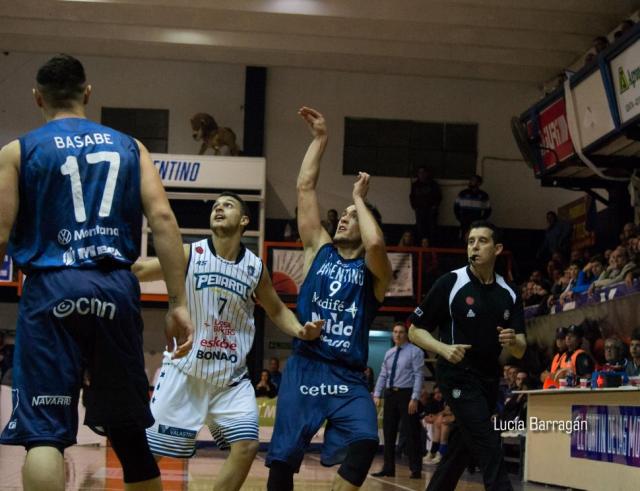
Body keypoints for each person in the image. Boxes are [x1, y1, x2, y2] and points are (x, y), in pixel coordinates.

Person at [0, 54, 194, 491]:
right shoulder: (131, 147)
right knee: (129, 435)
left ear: (37, 98)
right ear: (87, 93)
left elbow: (0, 233)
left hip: (50, 290)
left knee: (44, 436)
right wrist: (178, 303)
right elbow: (163, 220)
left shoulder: (18, 151)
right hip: (114, 289)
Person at [133, 191, 323, 491]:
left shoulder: (255, 267)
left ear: (244, 220)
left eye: (228, 205)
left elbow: (276, 309)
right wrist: (106, 268)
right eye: (216, 206)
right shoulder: (191, 253)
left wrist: (301, 331)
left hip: (230, 379)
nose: (219, 209)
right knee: (149, 456)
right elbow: (142, 270)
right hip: (186, 373)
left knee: (247, 446)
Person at [265, 107, 392, 491]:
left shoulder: (376, 274)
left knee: (366, 440)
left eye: (353, 216)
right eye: (345, 214)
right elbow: (304, 188)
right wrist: (320, 140)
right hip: (306, 366)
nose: (344, 218)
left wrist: (358, 198)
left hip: (347, 375)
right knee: (282, 461)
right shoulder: (318, 249)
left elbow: (375, 244)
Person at [408, 220, 526, 491]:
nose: (475, 246)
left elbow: (521, 346)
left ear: (497, 249)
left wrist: (513, 341)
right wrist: (443, 349)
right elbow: (415, 330)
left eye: (482, 241)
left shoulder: (509, 291)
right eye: (471, 241)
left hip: (489, 378)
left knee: (461, 448)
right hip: (457, 375)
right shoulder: (451, 282)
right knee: (487, 441)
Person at [371, 322, 425, 479]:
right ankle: (388, 468)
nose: (397, 335)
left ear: (406, 334)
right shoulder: (389, 353)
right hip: (390, 394)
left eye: (401, 332)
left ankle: (416, 469)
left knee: (411, 432)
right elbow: (383, 374)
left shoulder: (415, 351)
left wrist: (415, 398)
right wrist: (377, 394)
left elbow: (418, 375)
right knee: (388, 433)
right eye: (395, 332)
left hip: (407, 394)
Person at [453, 175, 491, 241]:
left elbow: (488, 209)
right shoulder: (463, 193)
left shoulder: (483, 195)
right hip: (464, 220)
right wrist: (459, 217)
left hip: (476, 221)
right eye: (470, 180)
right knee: (463, 238)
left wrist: (482, 219)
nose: (470, 182)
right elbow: (456, 207)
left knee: (475, 239)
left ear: (479, 183)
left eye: (473, 180)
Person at [410, 166, 441, 245]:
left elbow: (438, 196)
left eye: (423, 172)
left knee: (432, 229)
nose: (422, 174)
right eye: (420, 173)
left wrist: (435, 206)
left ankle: (432, 246)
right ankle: (421, 245)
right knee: (420, 228)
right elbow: (412, 196)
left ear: (427, 173)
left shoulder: (433, 184)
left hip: (431, 210)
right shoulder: (415, 185)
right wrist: (414, 206)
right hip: (420, 210)